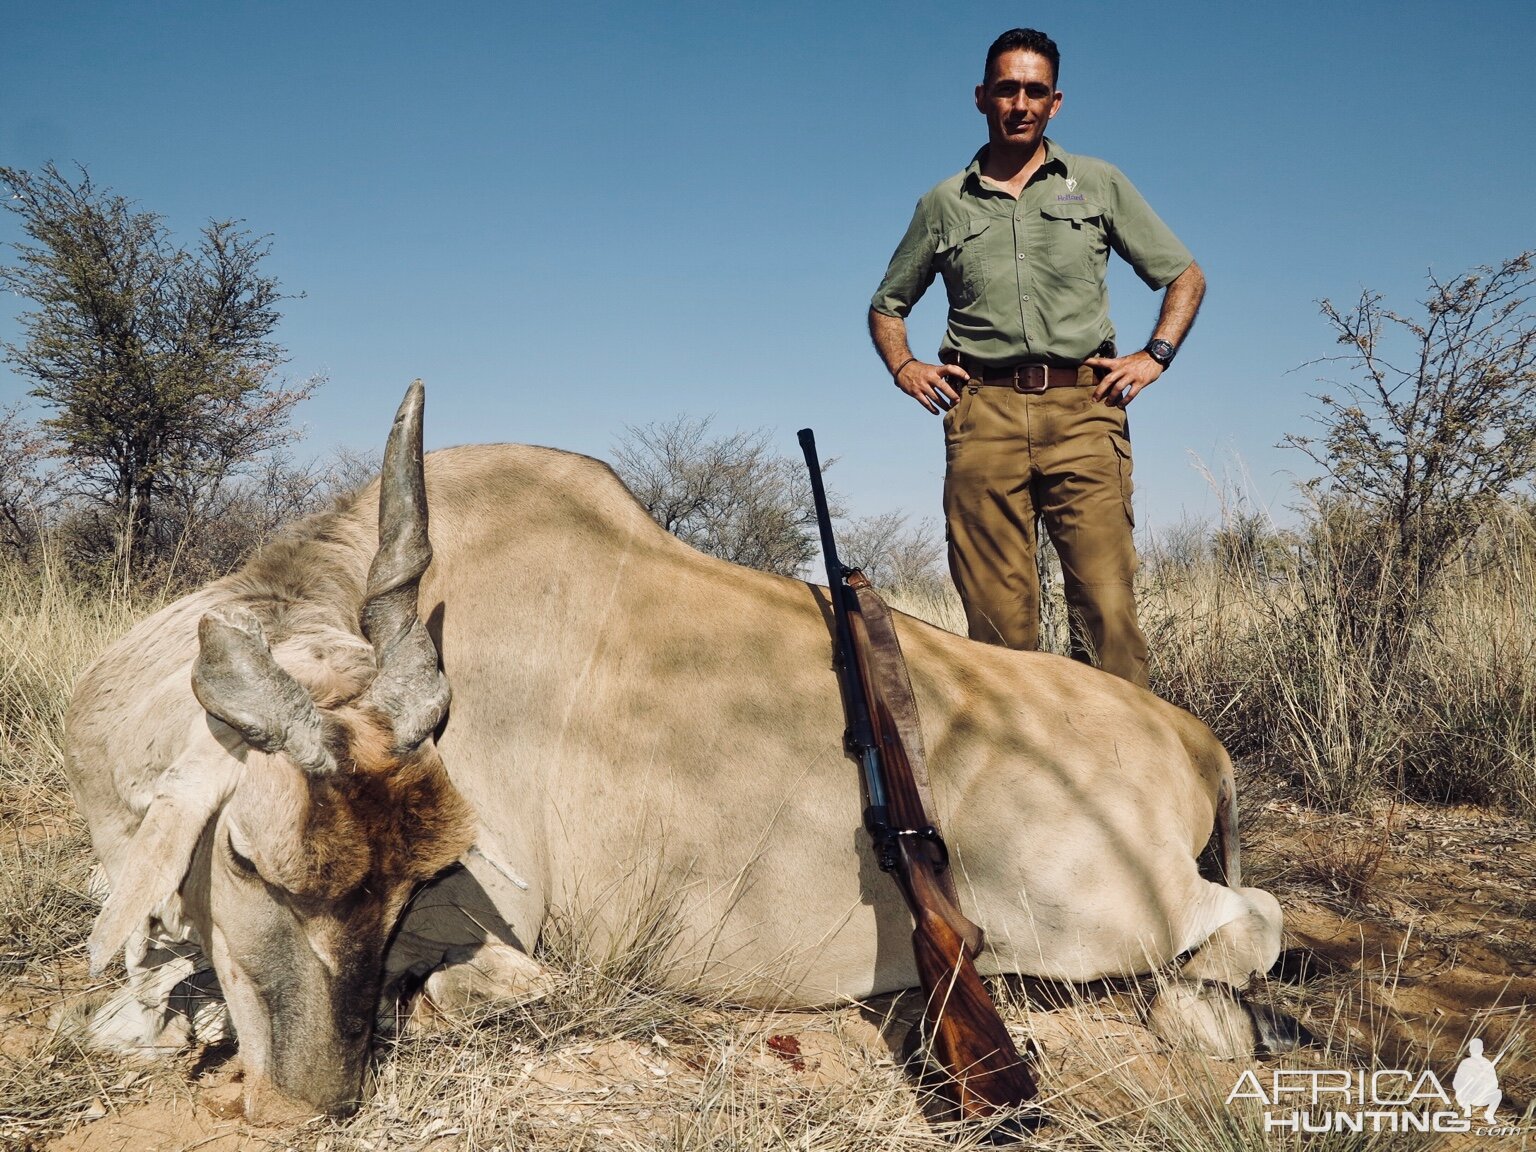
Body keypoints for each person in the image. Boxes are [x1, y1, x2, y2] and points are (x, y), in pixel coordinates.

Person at [868, 27, 1205, 688]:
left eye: (1034, 91)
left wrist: (1155, 354)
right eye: (1005, 89)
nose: (1019, 103)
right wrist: (906, 367)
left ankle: (1119, 778)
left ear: (1055, 102)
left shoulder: (1098, 183)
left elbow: (1184, 275)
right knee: (998, 633)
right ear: (980, 98)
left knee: (1107, 612)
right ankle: (1019, 782)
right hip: (981, 415)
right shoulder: (943, 203)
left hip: (1086, 409)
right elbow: (887, 305)